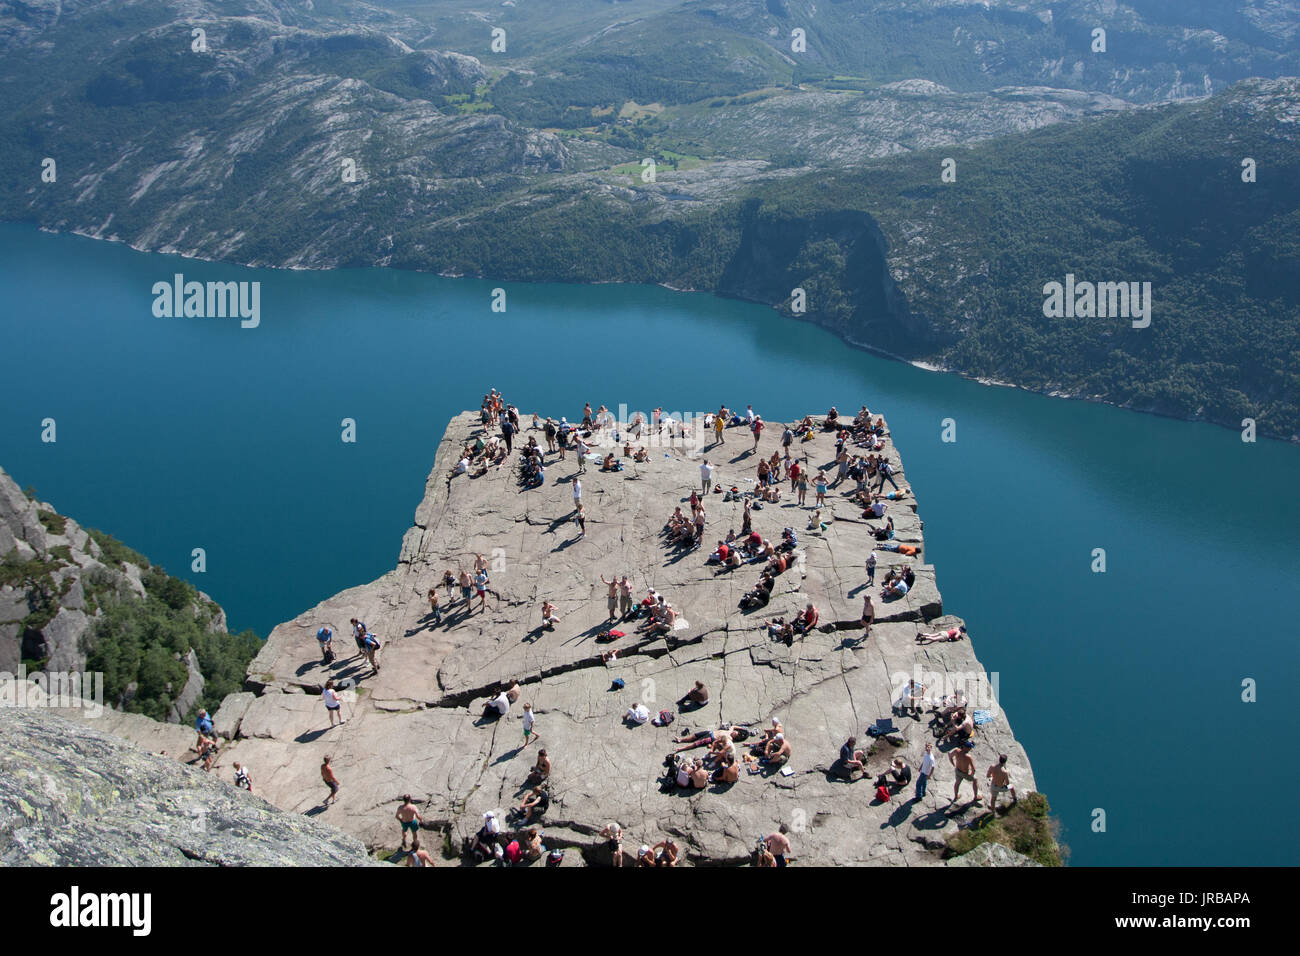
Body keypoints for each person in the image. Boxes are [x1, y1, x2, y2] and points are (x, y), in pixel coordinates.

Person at [949, 741, 982, 806]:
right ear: (967, 748)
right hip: (965, 773)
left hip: (958, 771)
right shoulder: (968, 757)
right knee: (975, 779)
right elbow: (974, 769)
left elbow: (950, 756)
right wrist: (971, 774)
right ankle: (975, 797)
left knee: (957, 783)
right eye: (970, 748)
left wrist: (954, 764)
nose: (970, 749)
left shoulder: (956, 750)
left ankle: (956, 796)